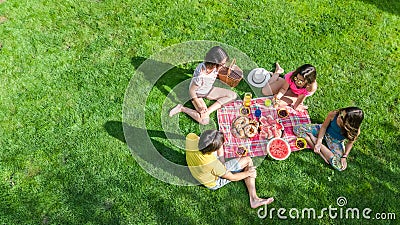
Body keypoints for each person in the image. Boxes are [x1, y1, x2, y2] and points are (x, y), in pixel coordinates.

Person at [186, 130, 274, 208]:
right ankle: (254, 199)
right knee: (247, 160)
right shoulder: (213, 164)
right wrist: (249, 173)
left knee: (217, 139)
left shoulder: (191, 138)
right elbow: (232, 177)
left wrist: (222, 161)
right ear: (213, 151)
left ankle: (223, 161)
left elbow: (207, 140)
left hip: (195, 168)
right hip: (213, 182)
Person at [169, 46, 237, 125]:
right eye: (222, 64)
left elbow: (219, 72)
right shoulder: (200, 76)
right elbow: (192, 91)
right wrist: (199, 105)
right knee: (204, 121)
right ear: (214, 63)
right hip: (198, 95)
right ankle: (181, 108)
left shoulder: (215, 67)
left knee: (233, 95)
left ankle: (208, 111)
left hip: (209, 90)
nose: (224, 66)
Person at [293, 107, 364, 171]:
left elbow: (350, 143)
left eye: (342, 118)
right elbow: (324, 127)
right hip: (323, 131)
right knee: (297, 129)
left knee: (339, 166)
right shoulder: (333, 114)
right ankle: (313, 143)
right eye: (341, 113)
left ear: (349, 124)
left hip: (335, 142)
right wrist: (319, 141)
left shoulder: (355, 131)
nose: (339, 116)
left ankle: (313, 141)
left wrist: (344, 156)